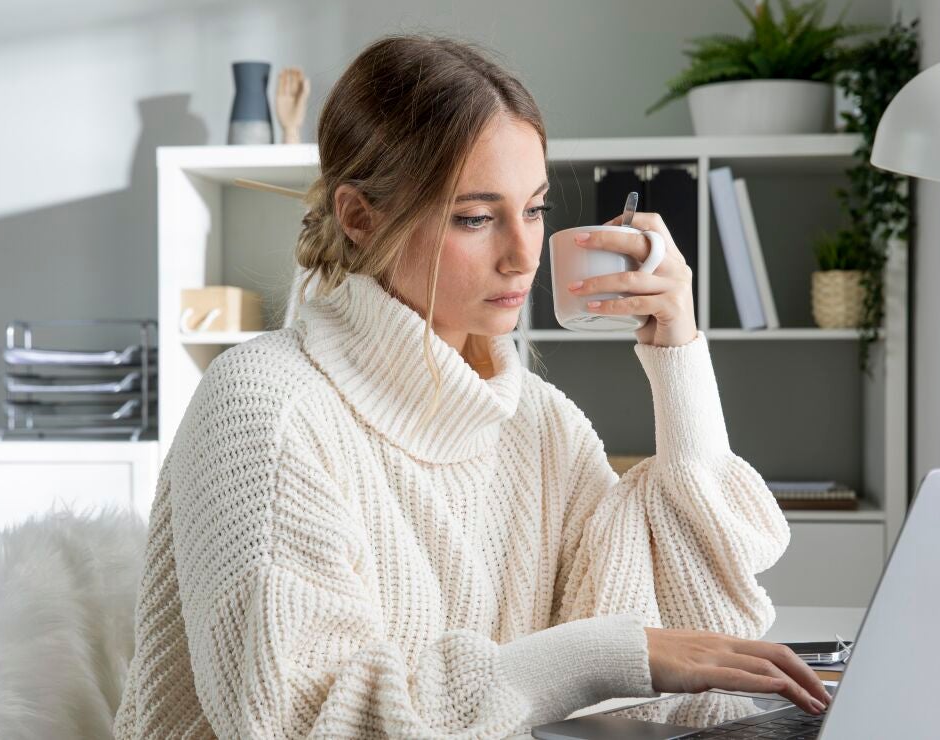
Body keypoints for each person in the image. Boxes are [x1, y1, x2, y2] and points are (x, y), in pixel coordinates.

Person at [113, 32, 831, 739]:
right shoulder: (266, 408)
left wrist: (679, 357)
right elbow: (303, 718)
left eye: (536, 208)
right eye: (476, 217)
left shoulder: (540, 424)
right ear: (360, 217)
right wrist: (611, 655)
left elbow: (702, 640)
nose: (523, 256)